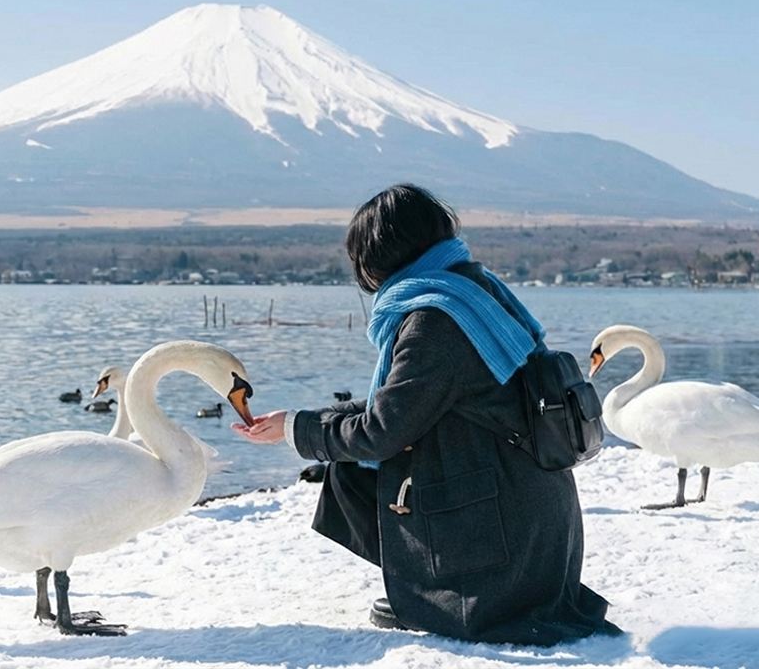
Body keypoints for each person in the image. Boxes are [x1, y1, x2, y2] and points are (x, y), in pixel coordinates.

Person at [234, 184, 621, 646]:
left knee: (353, 461)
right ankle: (427, 583)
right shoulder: (474, 289)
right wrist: (301, 421)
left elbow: (383, 431)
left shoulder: (435, 320)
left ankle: (443, 594)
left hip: (504, 540)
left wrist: (301, 431)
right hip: (533, 519)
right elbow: (407, 400)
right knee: (348, 470)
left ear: (377, 256)